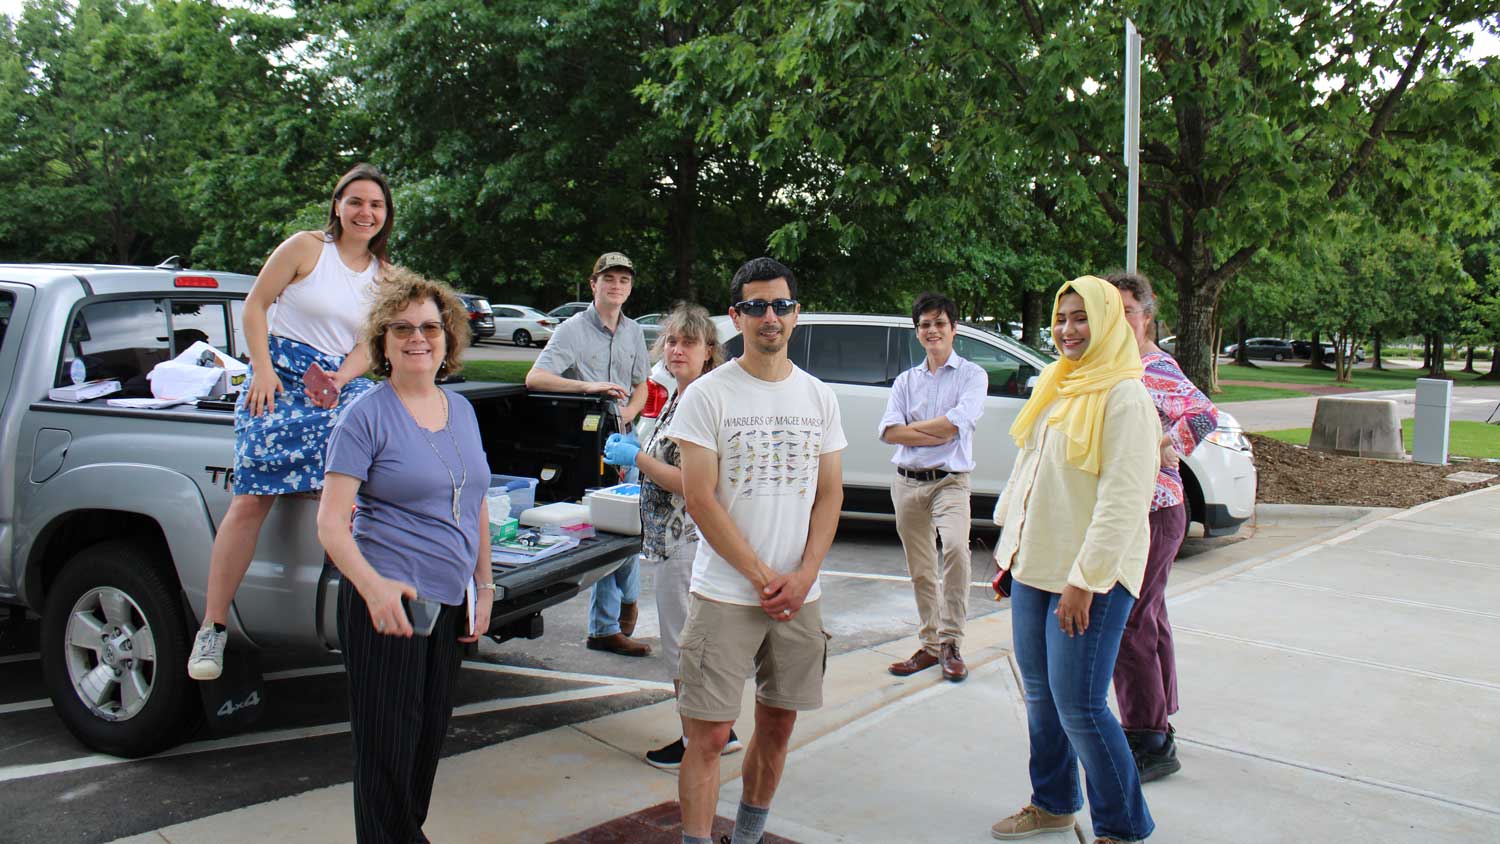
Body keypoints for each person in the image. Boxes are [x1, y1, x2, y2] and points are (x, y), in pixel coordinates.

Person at [188, 163, 392, 681]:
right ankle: (212, 628)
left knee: (372, 472)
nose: (365, 212)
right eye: (356, 201)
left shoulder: (386, 276)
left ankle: (367, 612)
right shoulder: (306, 248)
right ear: (338, 206)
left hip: (337, 383)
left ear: (386, 216)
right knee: (251, 498)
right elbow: (256, 306)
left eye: (376, 205)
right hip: (276, 377)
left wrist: (339, 381)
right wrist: (261, 370)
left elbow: (370, 345)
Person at [669, 257, 846, 844]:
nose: (769, 317)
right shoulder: (708, 395)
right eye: (755, 306)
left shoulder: (819, 396)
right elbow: (699, 497)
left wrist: (803, 576)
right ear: (735, 316)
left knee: (777, 725)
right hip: (724, 594)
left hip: (801, 595)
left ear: (796, 313)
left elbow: (830, 494)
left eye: (780, 305)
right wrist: (763, 575)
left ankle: (745, 836)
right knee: (708, 737)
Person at [316, 269, 493, 844]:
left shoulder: (460, 410)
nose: (418, 337)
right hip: (386, 602)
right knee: (386, 752)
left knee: (424, 744)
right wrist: (373, 587)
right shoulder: (364, 414)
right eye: (403, 328)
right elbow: (331, 523)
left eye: (430, 327)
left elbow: (476, 503)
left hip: (447, 602)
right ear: (383, 342)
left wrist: (483, 588)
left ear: (448, 339)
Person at [988, 275, 1160, 844]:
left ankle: (1123, 827)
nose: (1068, 330)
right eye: (1062, 319)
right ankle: (1054, 802)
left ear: (1109, 322)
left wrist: (1085, 582)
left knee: (1082, 708)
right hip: (1035, 567)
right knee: (1040, 696)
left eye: (1081, 318)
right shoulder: (1058, 384)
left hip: (1091, 578)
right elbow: (1029, 471)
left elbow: (1124, 500)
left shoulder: (1126, 397)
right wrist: (1008, 554)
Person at [599, 303, 746, 768]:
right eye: (673, 342)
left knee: (683, 645)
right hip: (672, 539)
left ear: (709, 352)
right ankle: (719, 731)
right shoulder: (681, 396)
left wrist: (638, 460)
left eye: (690, 342)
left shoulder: (704, 399)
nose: (678, 349)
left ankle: (695, 742)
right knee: (691, 642)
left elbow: (692, 483)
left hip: (687, 542)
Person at [1108, 271, 1218, 782]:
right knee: (1149, 617)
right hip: (1138, 511)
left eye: (1129, 310)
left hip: (1156, 511)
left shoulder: (1154, 367)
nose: (1121, 319)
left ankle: (1148, 738)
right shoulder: (1121, 365)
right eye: (1114, 310)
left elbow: (1203, 413)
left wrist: (1168, 446)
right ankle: (1160, 718)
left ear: (1147, 316)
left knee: (1129, 621)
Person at [526, 251, 653, 657]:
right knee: (612, 531)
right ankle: (607, 623)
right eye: (609, 278)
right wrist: (588, 387)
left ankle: (617, 614)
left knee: (631, 528)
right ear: (593, 283)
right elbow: (535, 378)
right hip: (590, 445)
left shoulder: (633, 331)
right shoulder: (571, 330)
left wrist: (629, 413)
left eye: (624, 280)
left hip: (626, 442)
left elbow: (642, 386)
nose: (616, 285)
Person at [879, 291, 987, 682]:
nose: (932, 330)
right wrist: (937, 430)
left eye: (940, 323)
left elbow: (956, 425)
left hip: (951, 482)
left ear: (954, 328)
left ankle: (951, 642)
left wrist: (913, 431)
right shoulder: (906, 381)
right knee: (921, 569)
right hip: (907, 484)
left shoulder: (973, 376)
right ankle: (929, 645)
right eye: (925, 324)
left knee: (957, 549)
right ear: (917, 332)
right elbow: (889, 433)